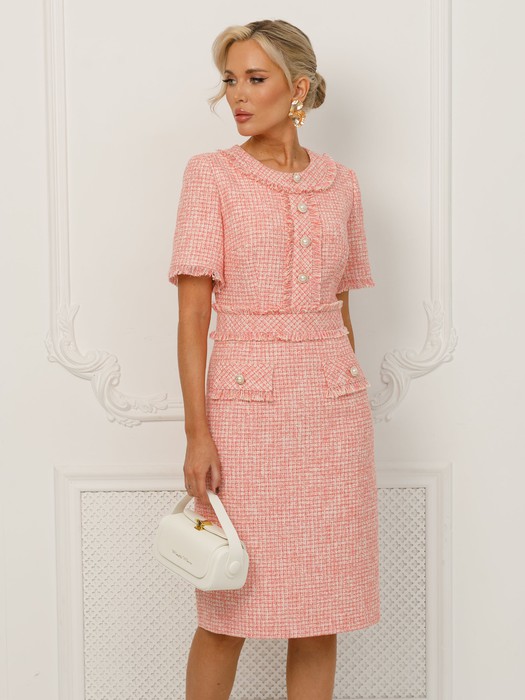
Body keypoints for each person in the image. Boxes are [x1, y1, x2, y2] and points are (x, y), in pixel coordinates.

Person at [168, 19, 380, 700]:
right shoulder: (211, 176)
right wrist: (197, 433)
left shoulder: (342, 184)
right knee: (226, 604)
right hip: (245, 409)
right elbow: (192, 318)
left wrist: (344, 390)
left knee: (320, 610)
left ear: (298, 88)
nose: (236, 94)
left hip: (333, 412)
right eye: (229, 79)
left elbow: (342, 308)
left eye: (254, 78)